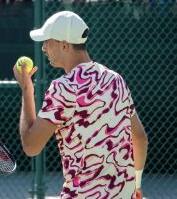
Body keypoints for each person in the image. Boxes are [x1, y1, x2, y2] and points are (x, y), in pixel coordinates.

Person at [13, 11, 148, 198]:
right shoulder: (115, 80)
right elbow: (140, 137)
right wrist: (137, 184)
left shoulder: (62, 88)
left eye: (47, 41)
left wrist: (27, 91)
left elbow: (31, 146)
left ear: (64, 45)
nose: (43, 48)